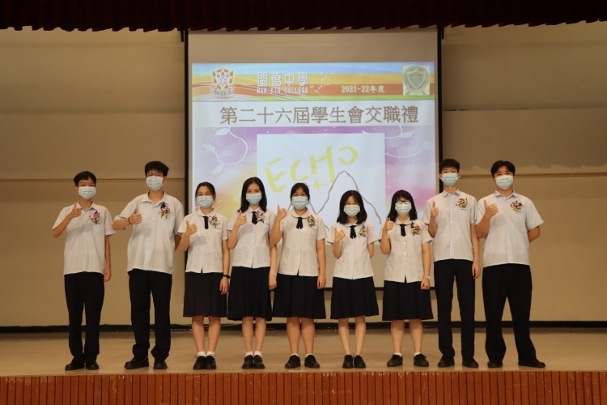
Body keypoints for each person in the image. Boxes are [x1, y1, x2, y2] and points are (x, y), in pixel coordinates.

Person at [113, 161, 184, 370]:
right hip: (138, 265)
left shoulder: (174, 204)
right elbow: (115, 224)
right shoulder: (137, 202)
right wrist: (129, 220)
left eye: (158, 174)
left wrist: (168, 249)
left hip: (162, 266)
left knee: (162, 312)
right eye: (150, 174)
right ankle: (140, 355)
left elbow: (179, 233)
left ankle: (160, 356)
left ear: (165, 178)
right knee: (139, 312)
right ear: (145, 177)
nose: (153, 177)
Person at [476, 160, 545, 369]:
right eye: (499, 174)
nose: (503, 177)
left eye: (507, 173)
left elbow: (535, 230)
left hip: (520, 265)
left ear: (513, 176)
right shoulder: (484, 202)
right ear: (493, 178)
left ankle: (526, 356)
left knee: (522, 314)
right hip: (494, 265)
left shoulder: (525, 202)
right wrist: (487, 215)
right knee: (493, 315)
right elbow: (479, 232)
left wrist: (519, 242)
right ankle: (495, 356)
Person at [52, 171, 114, 371]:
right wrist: (70, 216)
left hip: (95, 268)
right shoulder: (67, 210)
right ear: (76, 188)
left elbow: (106, 239)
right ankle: (77, 356)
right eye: (83, 184)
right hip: (73, 270)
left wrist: (108, 265)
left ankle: (91, 356)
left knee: (94, 316)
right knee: (74, 316)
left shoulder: (102, 211)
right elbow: (55, 232)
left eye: (91, 184)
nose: (87, 187)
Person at [422, 158, 481, 368]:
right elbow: (431, 233)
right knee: (444, 308)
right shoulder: (432, 202)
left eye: (453, 171)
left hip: (465, 258)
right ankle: (447, 354)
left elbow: (474, 232)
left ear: (459, 174)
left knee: (468, 308)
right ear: (440, 176)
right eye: (445, 171)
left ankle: (468, 355)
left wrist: (477, 260)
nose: (449, 174)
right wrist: (433, 218)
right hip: (442, 259)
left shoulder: (470, 200)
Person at [270, 183, 327, 369]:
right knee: (292, 316)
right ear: (291, 197)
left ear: (308, 198)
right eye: (296, 194)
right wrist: (278, 220)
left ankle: (310, 355)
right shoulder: (284, 218)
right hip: (288, 271)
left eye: (303, 194)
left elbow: (320, 248)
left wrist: (322, 273)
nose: (299, 197)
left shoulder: (316, 220)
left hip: (310, 272)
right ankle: (294, 354)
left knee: (308, 316)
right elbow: (273, 240)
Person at [177, 182, 230, 370]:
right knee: (197, 315)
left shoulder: (222, 220)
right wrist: (186, 234)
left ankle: (211, 354)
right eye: (200, 194)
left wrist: (226, 275)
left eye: (207, 193)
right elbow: (182, 248)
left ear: (214, 196)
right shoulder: (189, 219)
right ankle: (200, 354)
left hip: (215, 271)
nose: (204, 197)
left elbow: (226, 250)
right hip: (194, 271)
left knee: (215, 316)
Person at [227, 177, 277, 369]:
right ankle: (248, 353)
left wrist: (272, 273)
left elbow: (273, 246)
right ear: (244, 194)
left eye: (256, 190)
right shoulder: (237, 214)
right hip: (241, 267)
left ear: (262, 193)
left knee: (261, 314)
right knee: (246, 314)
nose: (253, 194)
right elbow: (230, 245)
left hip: (262, 267)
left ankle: (259, 353)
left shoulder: (270, 215)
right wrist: (237, 225)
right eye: (249, 191)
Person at [327, 190, 379, 369]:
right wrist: (337, 241)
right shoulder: (336, 227)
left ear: (360, 205)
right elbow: (336, 254)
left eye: (354, 203)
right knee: (343, 318)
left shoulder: (368, 226)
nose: (351, 206)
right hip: (342, 275)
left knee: (360, 317)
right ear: (342, 206)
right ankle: (347, 354)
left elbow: (371, 252)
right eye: (348, 203)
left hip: (362, 275)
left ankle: (358, 354)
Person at [381, 190, 433, 368]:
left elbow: (426, 251)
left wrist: (426, 276)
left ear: (411, 204)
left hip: (415, 276)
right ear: (393, 205)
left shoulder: (419, 225)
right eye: (399, 202)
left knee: (416, 317)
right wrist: (384, 231)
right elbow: (384, 250)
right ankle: (397, 353)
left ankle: (418, 353)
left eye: (406, 201)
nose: (402, 205)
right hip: (394, 276)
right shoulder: (389, 225)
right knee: (396, 318)